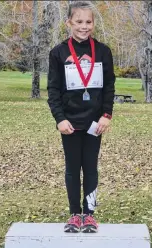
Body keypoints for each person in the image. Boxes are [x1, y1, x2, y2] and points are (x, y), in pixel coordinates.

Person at [47, 1, 115, 233]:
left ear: (94, 24)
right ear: (69, 23)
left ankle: (90, 215)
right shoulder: (58, 53)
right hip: (70, 122)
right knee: (72, 168)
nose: (84, 27)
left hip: (95, 122)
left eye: (88, 22)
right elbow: (53, 90)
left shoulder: (103, 51)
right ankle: (75, 214)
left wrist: (106, 114)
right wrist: (59, 119)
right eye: (79, 22)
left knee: (91, 167)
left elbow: (109, 87)